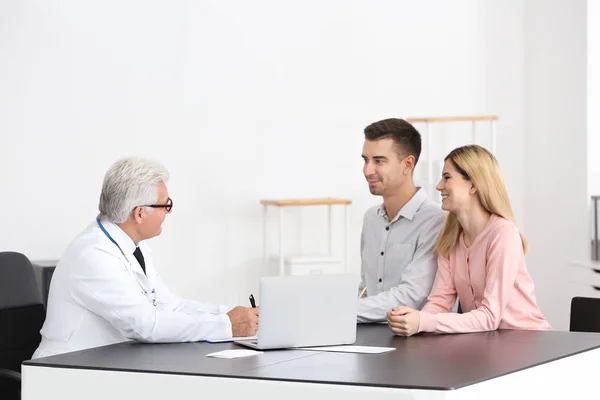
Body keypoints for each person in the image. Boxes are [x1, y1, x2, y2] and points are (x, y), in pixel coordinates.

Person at [32, 157, 258, 358]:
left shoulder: (131, 247)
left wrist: (233, 314)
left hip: (107, 364)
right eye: (166, 206)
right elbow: (145, 325)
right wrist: (227, 325)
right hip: (65, 373)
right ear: (140, 213)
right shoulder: (94, 255)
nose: (168, 213)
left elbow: (171, 307)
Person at [387, 145, 551, 336]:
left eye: (447, 177)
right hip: (487, 343)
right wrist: (413, 322)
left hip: (527, 342)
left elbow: (490, 316)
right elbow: (440, 302)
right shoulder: (450, 239)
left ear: (473, 185)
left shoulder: (503, 234)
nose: (439, 185)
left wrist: (424, 321)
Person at [357, 118, 446, 322]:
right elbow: (365, 288)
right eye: (365, 160)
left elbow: (412, 297)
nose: (367, 170)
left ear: (407, 164)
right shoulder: (371, 219)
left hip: (417, 343)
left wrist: (340, 312)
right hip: (371, 335)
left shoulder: (435, 221)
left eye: (379, 161)